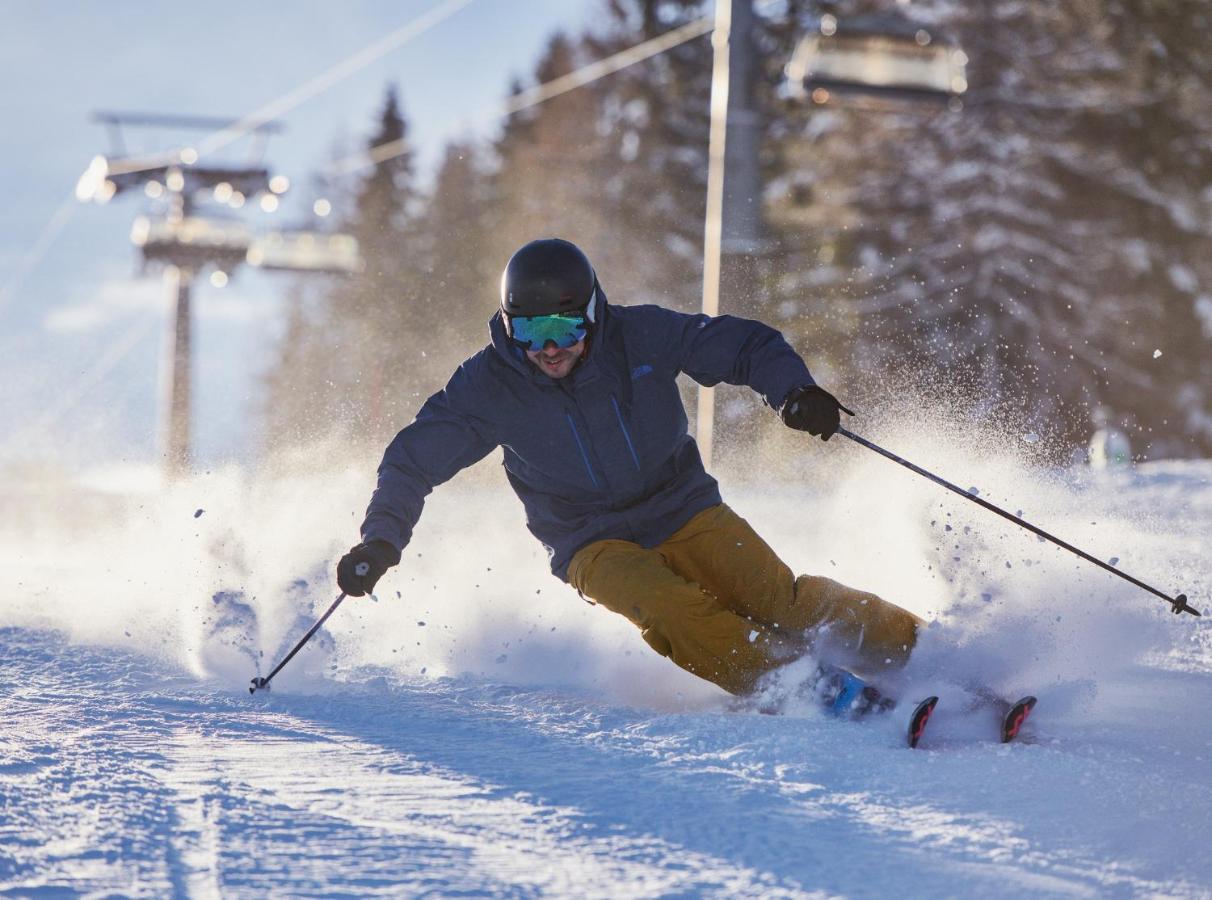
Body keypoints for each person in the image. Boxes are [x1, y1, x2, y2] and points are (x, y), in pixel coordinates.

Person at [337, 238, 922, 697]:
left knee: (782, 603)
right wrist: (381, 541)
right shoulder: (489, 385)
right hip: (590, 541)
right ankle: (798, 685)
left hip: (683, 505)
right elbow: (411, 463)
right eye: (530, 332)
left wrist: (793, 391)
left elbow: (739, 346)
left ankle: (922, 653)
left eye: (563, 328)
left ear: (591, 316)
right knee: (675, 610)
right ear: (509, 327)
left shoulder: (639, 336)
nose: (548, 349)